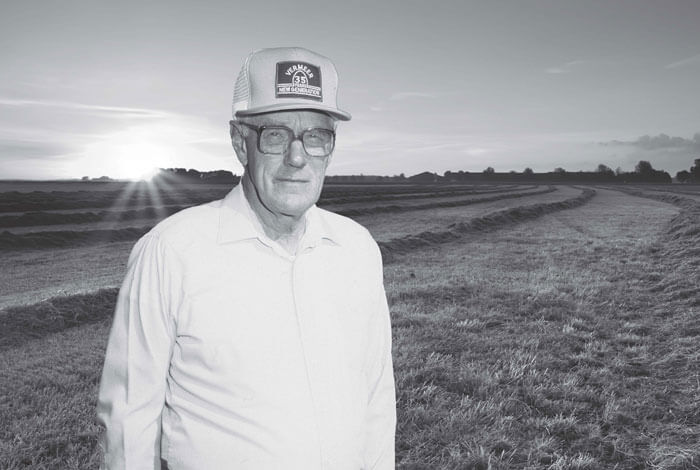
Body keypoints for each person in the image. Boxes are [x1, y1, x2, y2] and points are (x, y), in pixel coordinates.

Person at [96, 47, 396, 469]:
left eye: (316, 136)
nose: (297, 157)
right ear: (240, 142)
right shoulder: (172, 252)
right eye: (275, 135)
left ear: (330, 147)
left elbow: (377, 397)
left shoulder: (357, 248)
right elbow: (129, 421)